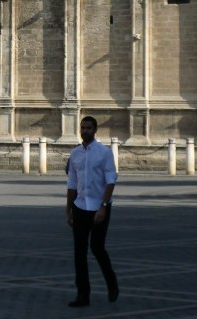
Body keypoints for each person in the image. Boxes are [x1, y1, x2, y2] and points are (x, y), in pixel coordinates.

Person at [65, 116, 119, 308]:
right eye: (82, 128)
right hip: (80, 207)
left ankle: (111, 282)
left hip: (99, 207)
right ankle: (83, 294)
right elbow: (72, 184)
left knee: (97, 248)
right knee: (79, 252)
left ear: (95, 130)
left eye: (88, 128)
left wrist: (103, 207)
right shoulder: (75, 154)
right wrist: (68, 210)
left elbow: (111, 180)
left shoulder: (104, 153)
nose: (85, 131)